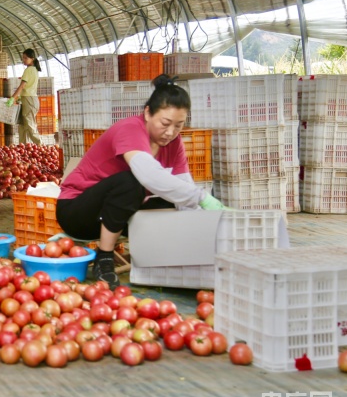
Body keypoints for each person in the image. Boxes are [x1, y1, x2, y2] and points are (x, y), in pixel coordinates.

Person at [56, 74, 229, 289]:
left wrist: (206, 228)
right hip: (78, 212)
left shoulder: (173, 144)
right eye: (165, 123)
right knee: (131, 182)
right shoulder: (129, 129)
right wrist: (202, 197)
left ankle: (167, 262)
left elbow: (184, 189)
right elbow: (148, 174)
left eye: (178, 125)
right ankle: (105, 258)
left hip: (114, 215)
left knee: (173, 202)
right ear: (147, 113)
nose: (170, 132)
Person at [6, 48, 42, 145]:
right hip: (29, 99)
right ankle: (23, 146)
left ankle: (40, 145)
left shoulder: (29, 70)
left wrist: (12, 98)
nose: (24, 60)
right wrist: (19, 98)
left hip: (29, 100)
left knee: (30, 125)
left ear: (32, 59)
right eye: (23, 58)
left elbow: (22, 86)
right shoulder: (34, 70)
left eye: (26, 58)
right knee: (23, 125)